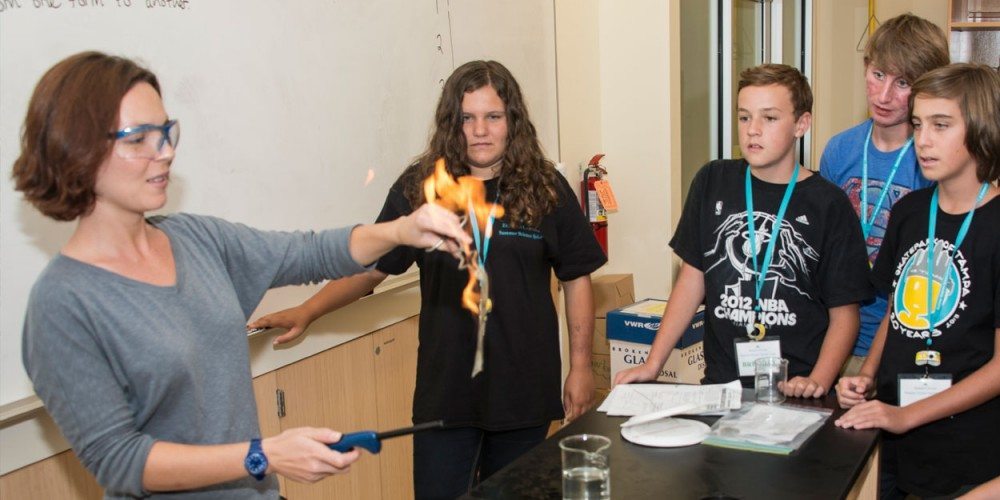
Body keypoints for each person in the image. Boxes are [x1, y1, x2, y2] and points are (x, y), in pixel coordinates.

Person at [13, 51, 470, 499]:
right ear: (78, 151)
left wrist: (400, 230)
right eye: (139, 139)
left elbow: (308, 253)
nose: (166, 152)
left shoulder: (195, 239)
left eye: (167, 132)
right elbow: (122, 461)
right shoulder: (63, 303)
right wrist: (261, 456)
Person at [249, 60, 606, 498]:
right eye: (466, 119)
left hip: (524, 393)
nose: (479, 130)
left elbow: (577, 278)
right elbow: (371, 269)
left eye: (492, 117)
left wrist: (582, 366)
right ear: (450, 124)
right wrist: (308, 310)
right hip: (445, 398)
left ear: (512, 121)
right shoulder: (420, 186)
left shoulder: (545, 186)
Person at [614, 64, 872, 397]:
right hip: (722, 386)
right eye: (744, 117)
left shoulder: (829, 205)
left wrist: (819, 380)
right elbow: (692, 280)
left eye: (770, 118)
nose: (753, 130)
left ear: (802, 124)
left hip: (796, 389)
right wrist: (652, 364)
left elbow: (845, 314)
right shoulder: (712, 181)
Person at [834, 63, 1000, 499]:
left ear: (982, 129)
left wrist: (907, 416)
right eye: (918, 124)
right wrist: (867, 375)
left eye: (941, 125)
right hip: (894, 435)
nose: (922, 140)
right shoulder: (910, 211)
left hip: (965, 447)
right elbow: (898, 309)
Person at [819, 14, 949, 376]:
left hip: (907, 343)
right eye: (879, 75)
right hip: (836, 339)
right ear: (865, 68)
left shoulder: (933, 163)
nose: (885, 95)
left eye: (903, 82)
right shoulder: (838, 151)